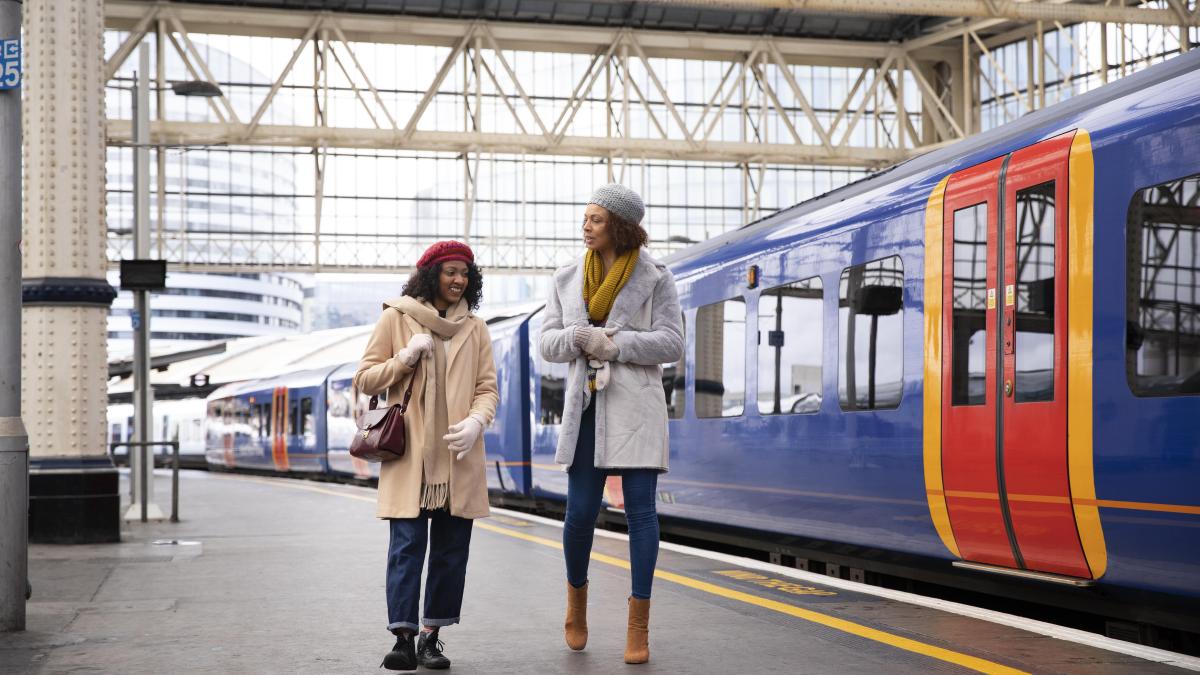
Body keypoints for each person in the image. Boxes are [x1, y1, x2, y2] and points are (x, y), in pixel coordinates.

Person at [539, 184, 684, 665]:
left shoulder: (656, 278)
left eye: (596, 219)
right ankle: (576, 605)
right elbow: (547, 344)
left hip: (637, 408)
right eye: (585, 218)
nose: (586, 226)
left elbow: (672, 342)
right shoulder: (565, 279)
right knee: (580, 513)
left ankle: (638, 626)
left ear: (619, 227)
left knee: (641, 513)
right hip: (585, 408)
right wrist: (579, 337)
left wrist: (617, 346)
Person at [354, 240, 498, 672]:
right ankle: (403, 639)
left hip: (458, 456)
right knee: (407, 548)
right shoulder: (395, 317)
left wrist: (476, 422)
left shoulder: (476, 328)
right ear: (431, 274)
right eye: (451, 271)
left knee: (451, 553)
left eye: (465, 273)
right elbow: (365, 379)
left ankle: (431, 638)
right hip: (410, 457)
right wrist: (404, 358)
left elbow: (486, 389)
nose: (459, 280)